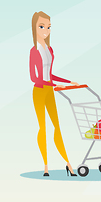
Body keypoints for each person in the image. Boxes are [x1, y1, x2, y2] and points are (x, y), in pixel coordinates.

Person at [29, 11, 78, 177]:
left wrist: (68, 82)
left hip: (49, 90)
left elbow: (50, 74)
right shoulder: (34, 51)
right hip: (39, 91)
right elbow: (34, 77)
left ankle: (68, 163)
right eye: (42, 26)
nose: (46, 30)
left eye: (48, 27)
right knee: (43, 127)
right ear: (34, 28)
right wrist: (49, 83)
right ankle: (45, 166)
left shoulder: (49, 49)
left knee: (57, 126)